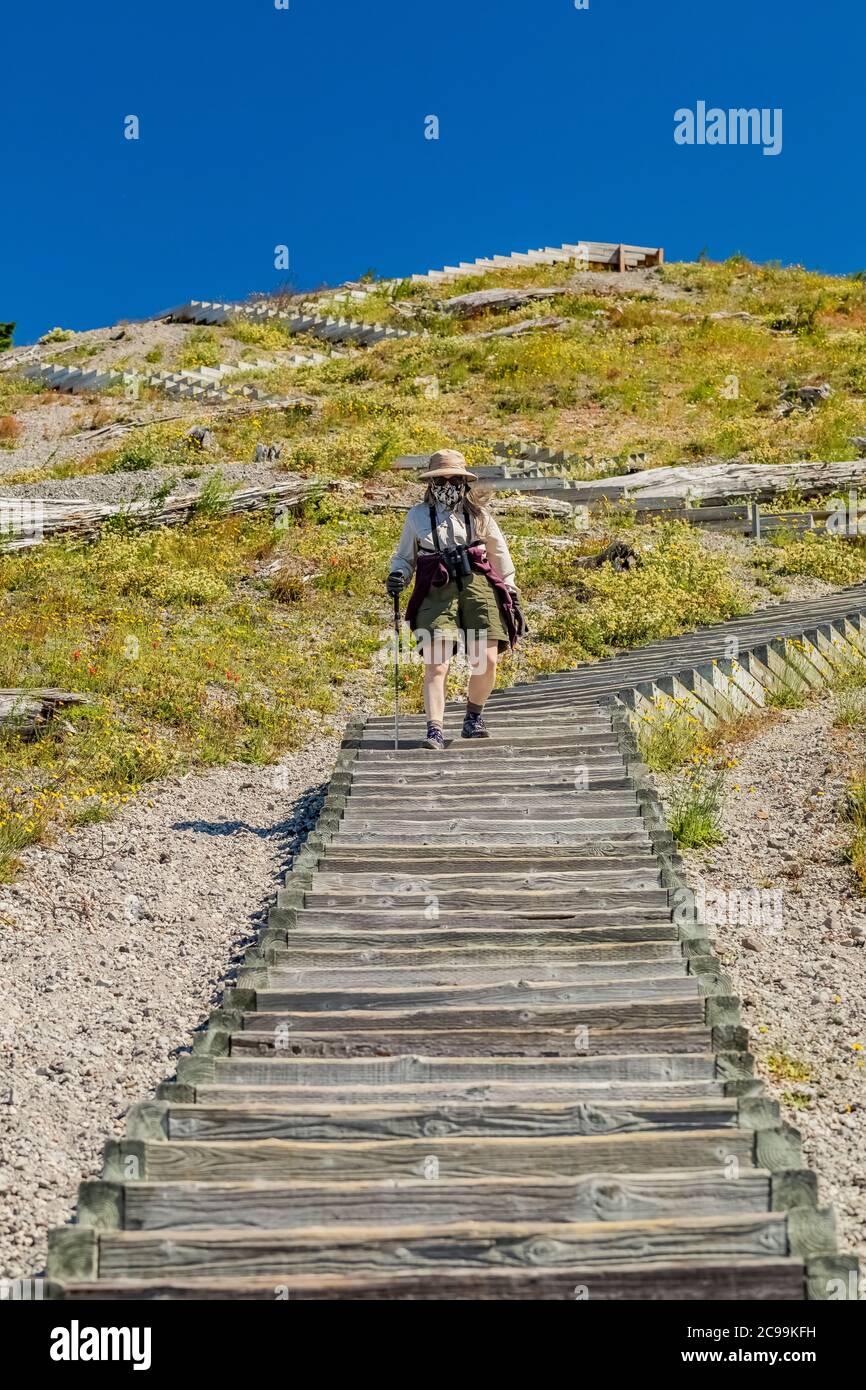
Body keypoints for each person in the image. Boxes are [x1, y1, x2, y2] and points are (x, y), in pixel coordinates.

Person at [386, 448, 523, 750]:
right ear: (431, 482)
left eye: (453, 479)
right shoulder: (417, 516)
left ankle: (473, 717)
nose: (447, 485)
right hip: (436, 584)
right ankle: (434, 729)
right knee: (437, 663)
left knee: (486, 659)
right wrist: (398, 575)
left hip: (477, 582)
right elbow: (404, 557)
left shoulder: (480, 515)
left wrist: (510, 591)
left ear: (464, 481)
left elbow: (500, 555)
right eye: (440, 479)